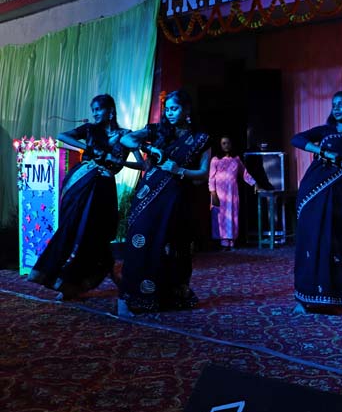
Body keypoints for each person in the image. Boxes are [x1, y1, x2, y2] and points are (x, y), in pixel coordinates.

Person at [28, 94, 142, 299]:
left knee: (97, 233)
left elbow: (142, 164)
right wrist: (87, 147)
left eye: (98, 109)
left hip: (104, 188)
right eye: (93, 110)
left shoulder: (125, 135)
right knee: (75, 228)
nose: (95, 114)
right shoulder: (90, 129)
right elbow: (62, 136)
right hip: (83, 185)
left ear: (110, 111)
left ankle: (85, 280)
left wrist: (120, 162)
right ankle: (64, 282)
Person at [117, 90, 211, 315]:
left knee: (172, 247)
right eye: (167, 109)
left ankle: (166, 296)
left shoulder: (201, 139)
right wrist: (150, 148)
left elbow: (203, 173)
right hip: (148, 195)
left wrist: (179, 170)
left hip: (176, 200)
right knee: (140, 241)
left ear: (186, 110)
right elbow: (126, 139)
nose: (169, 113)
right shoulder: (158, 130)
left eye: (174, 108)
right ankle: (129, 297)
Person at [291, 91, 342, 313]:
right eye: (334, 104)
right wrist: (323, 152)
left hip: (341, 199)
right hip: (314, 193)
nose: (336, 108)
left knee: (338, 243)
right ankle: (304, 298)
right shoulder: (325, 131)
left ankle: (340, 294)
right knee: (311, 242)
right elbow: (296, 139)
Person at [209, 135, 258, 250]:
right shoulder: (215, 159)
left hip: (232, 193)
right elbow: (211, 177)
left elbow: (244, 173)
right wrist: (213, 193)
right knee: (221, 217)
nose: (226, 145)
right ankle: (223, 243)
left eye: (228, 143)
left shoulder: (236, 159)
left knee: (232, 215)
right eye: (223, 143)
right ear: (220, 145)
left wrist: (254, 183)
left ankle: (232, 242)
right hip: (219, 193)